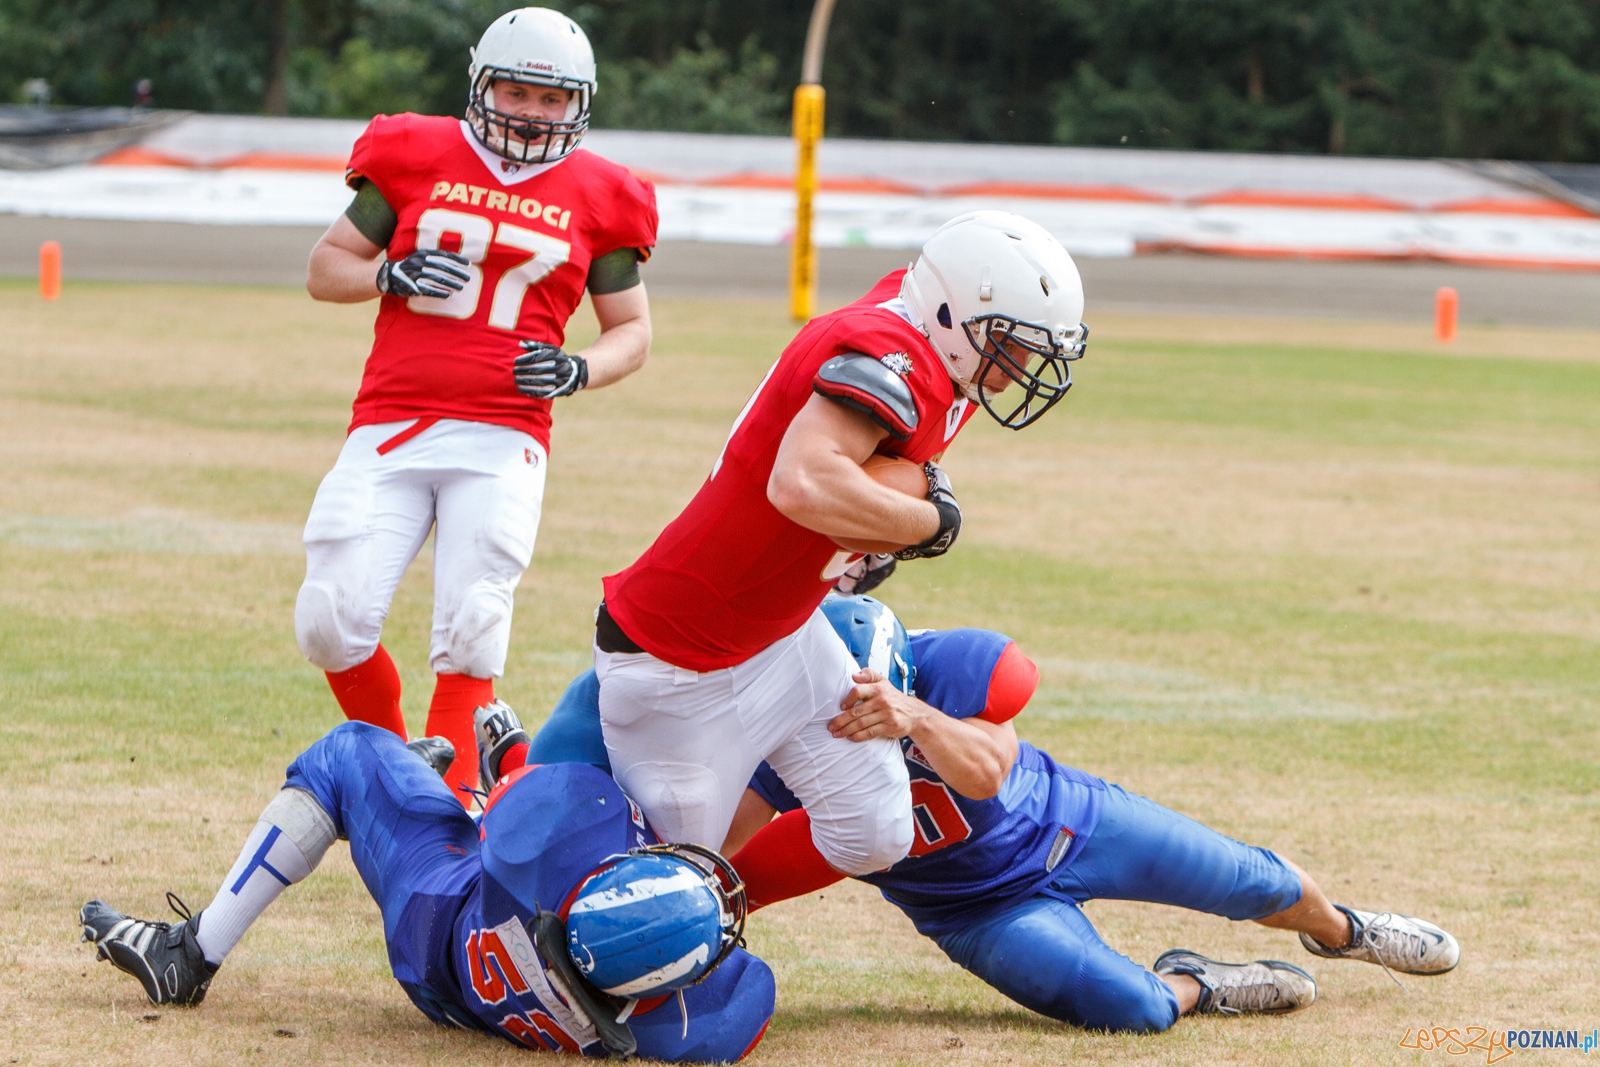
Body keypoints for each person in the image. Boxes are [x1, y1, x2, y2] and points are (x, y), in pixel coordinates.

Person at [479, 595, 1461, 1032]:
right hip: (975, 912)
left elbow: (987, 770)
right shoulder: (786, 730)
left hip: (1072, 822)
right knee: (1130, 1009)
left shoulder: (957, 666)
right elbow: (723, 845)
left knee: (1255, 881)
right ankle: (1197, 980)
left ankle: (1350, 930)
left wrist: (905, 713)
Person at [590, 209, 1091, 886]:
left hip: (780, 635)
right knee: (650, 897)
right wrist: (928, 524)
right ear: (949, 311)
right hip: (679, 662)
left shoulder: (941, 339)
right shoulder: (897, 351)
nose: (1020, 367)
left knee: (876, 829)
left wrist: (861, 540)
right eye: (1010, 342)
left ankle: (728, 898)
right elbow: (799, 483)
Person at [296, 6, 657, 802]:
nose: (532, 111)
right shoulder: (415, 152)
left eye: (552, 98)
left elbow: (631, 330)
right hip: (392, 422)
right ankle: (392, 768)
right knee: (328, 614)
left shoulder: (605, 193)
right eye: (517, 91)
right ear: (481, 85)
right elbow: (327, 267)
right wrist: (385, 274)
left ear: (580, 104)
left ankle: (439, 806)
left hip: (504, 434)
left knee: (472, 625)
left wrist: (578, 369)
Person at [78, 722, 773, 1062]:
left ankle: (189, 953)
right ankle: (419, 790)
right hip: (465, 997)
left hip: (438, 912)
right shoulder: (680, 1026)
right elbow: (751, 988)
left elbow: (517, 801)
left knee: (346, 755)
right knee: (461, 817)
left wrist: (512, 756)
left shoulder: (568, 843)